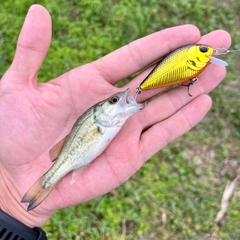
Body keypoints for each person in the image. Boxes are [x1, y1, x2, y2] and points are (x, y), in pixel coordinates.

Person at [0, 3, 231, 236]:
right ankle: (46, 182)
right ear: (101, 113)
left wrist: (10, 214)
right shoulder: (101, 124)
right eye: (112, 102)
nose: (118, 101)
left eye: (113, 101)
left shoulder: (110, 121)